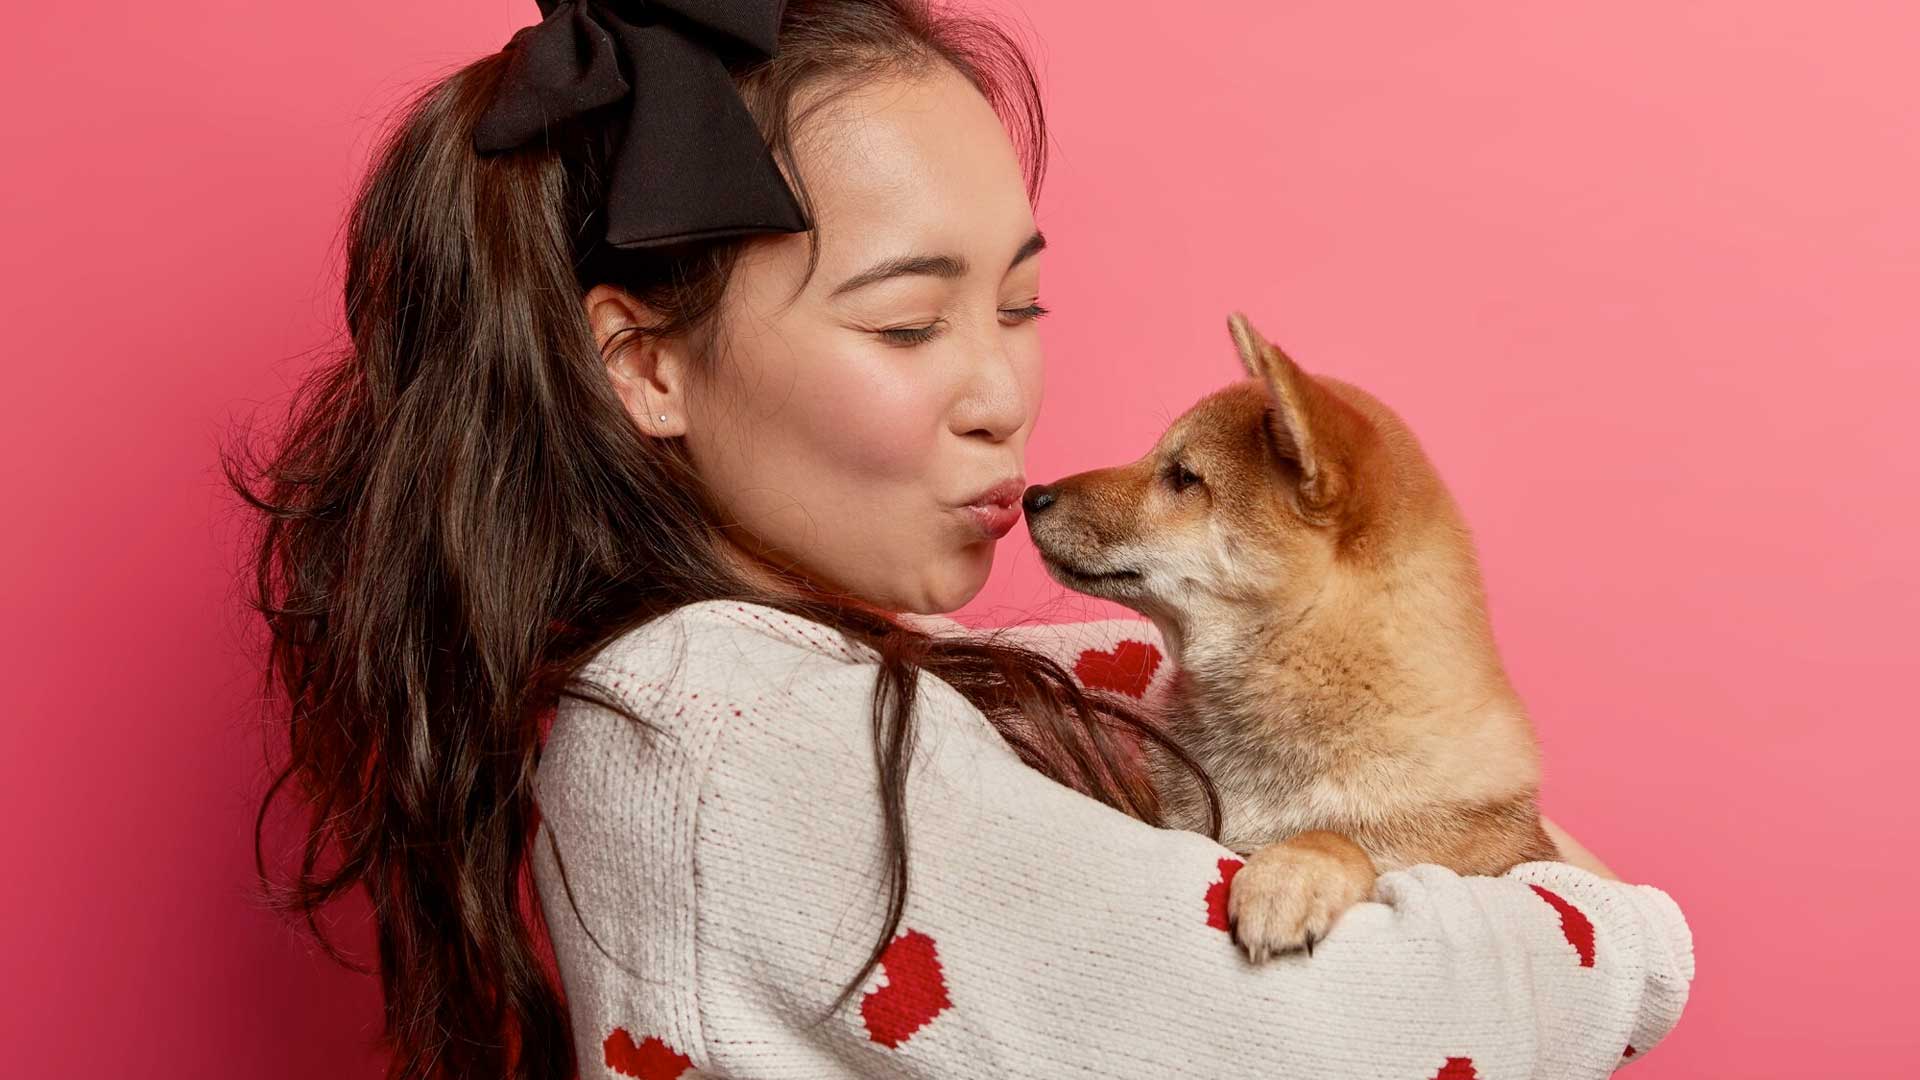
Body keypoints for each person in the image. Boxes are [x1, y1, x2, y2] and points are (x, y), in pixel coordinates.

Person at [230, 1, 1694, 1077]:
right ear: (647, 367)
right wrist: (1611, 929)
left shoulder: (791, 679)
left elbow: (1090, 696)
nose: (1002, 396)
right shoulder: (736, 731)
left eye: (1020, 307)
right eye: (910, 322)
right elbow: (1299, 1038)